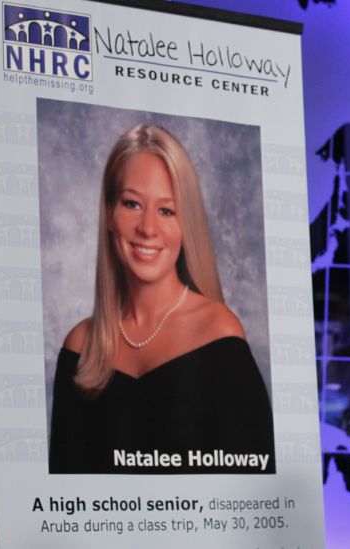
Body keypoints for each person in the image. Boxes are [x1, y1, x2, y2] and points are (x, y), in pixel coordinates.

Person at [49, 124, 275, 474]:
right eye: (132, 204)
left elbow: (255, 493)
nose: (148, 229)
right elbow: (61, 497)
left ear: (187, 224)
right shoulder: (79, 346)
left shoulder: (219, 332)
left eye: (167, 211)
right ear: (109, 214)